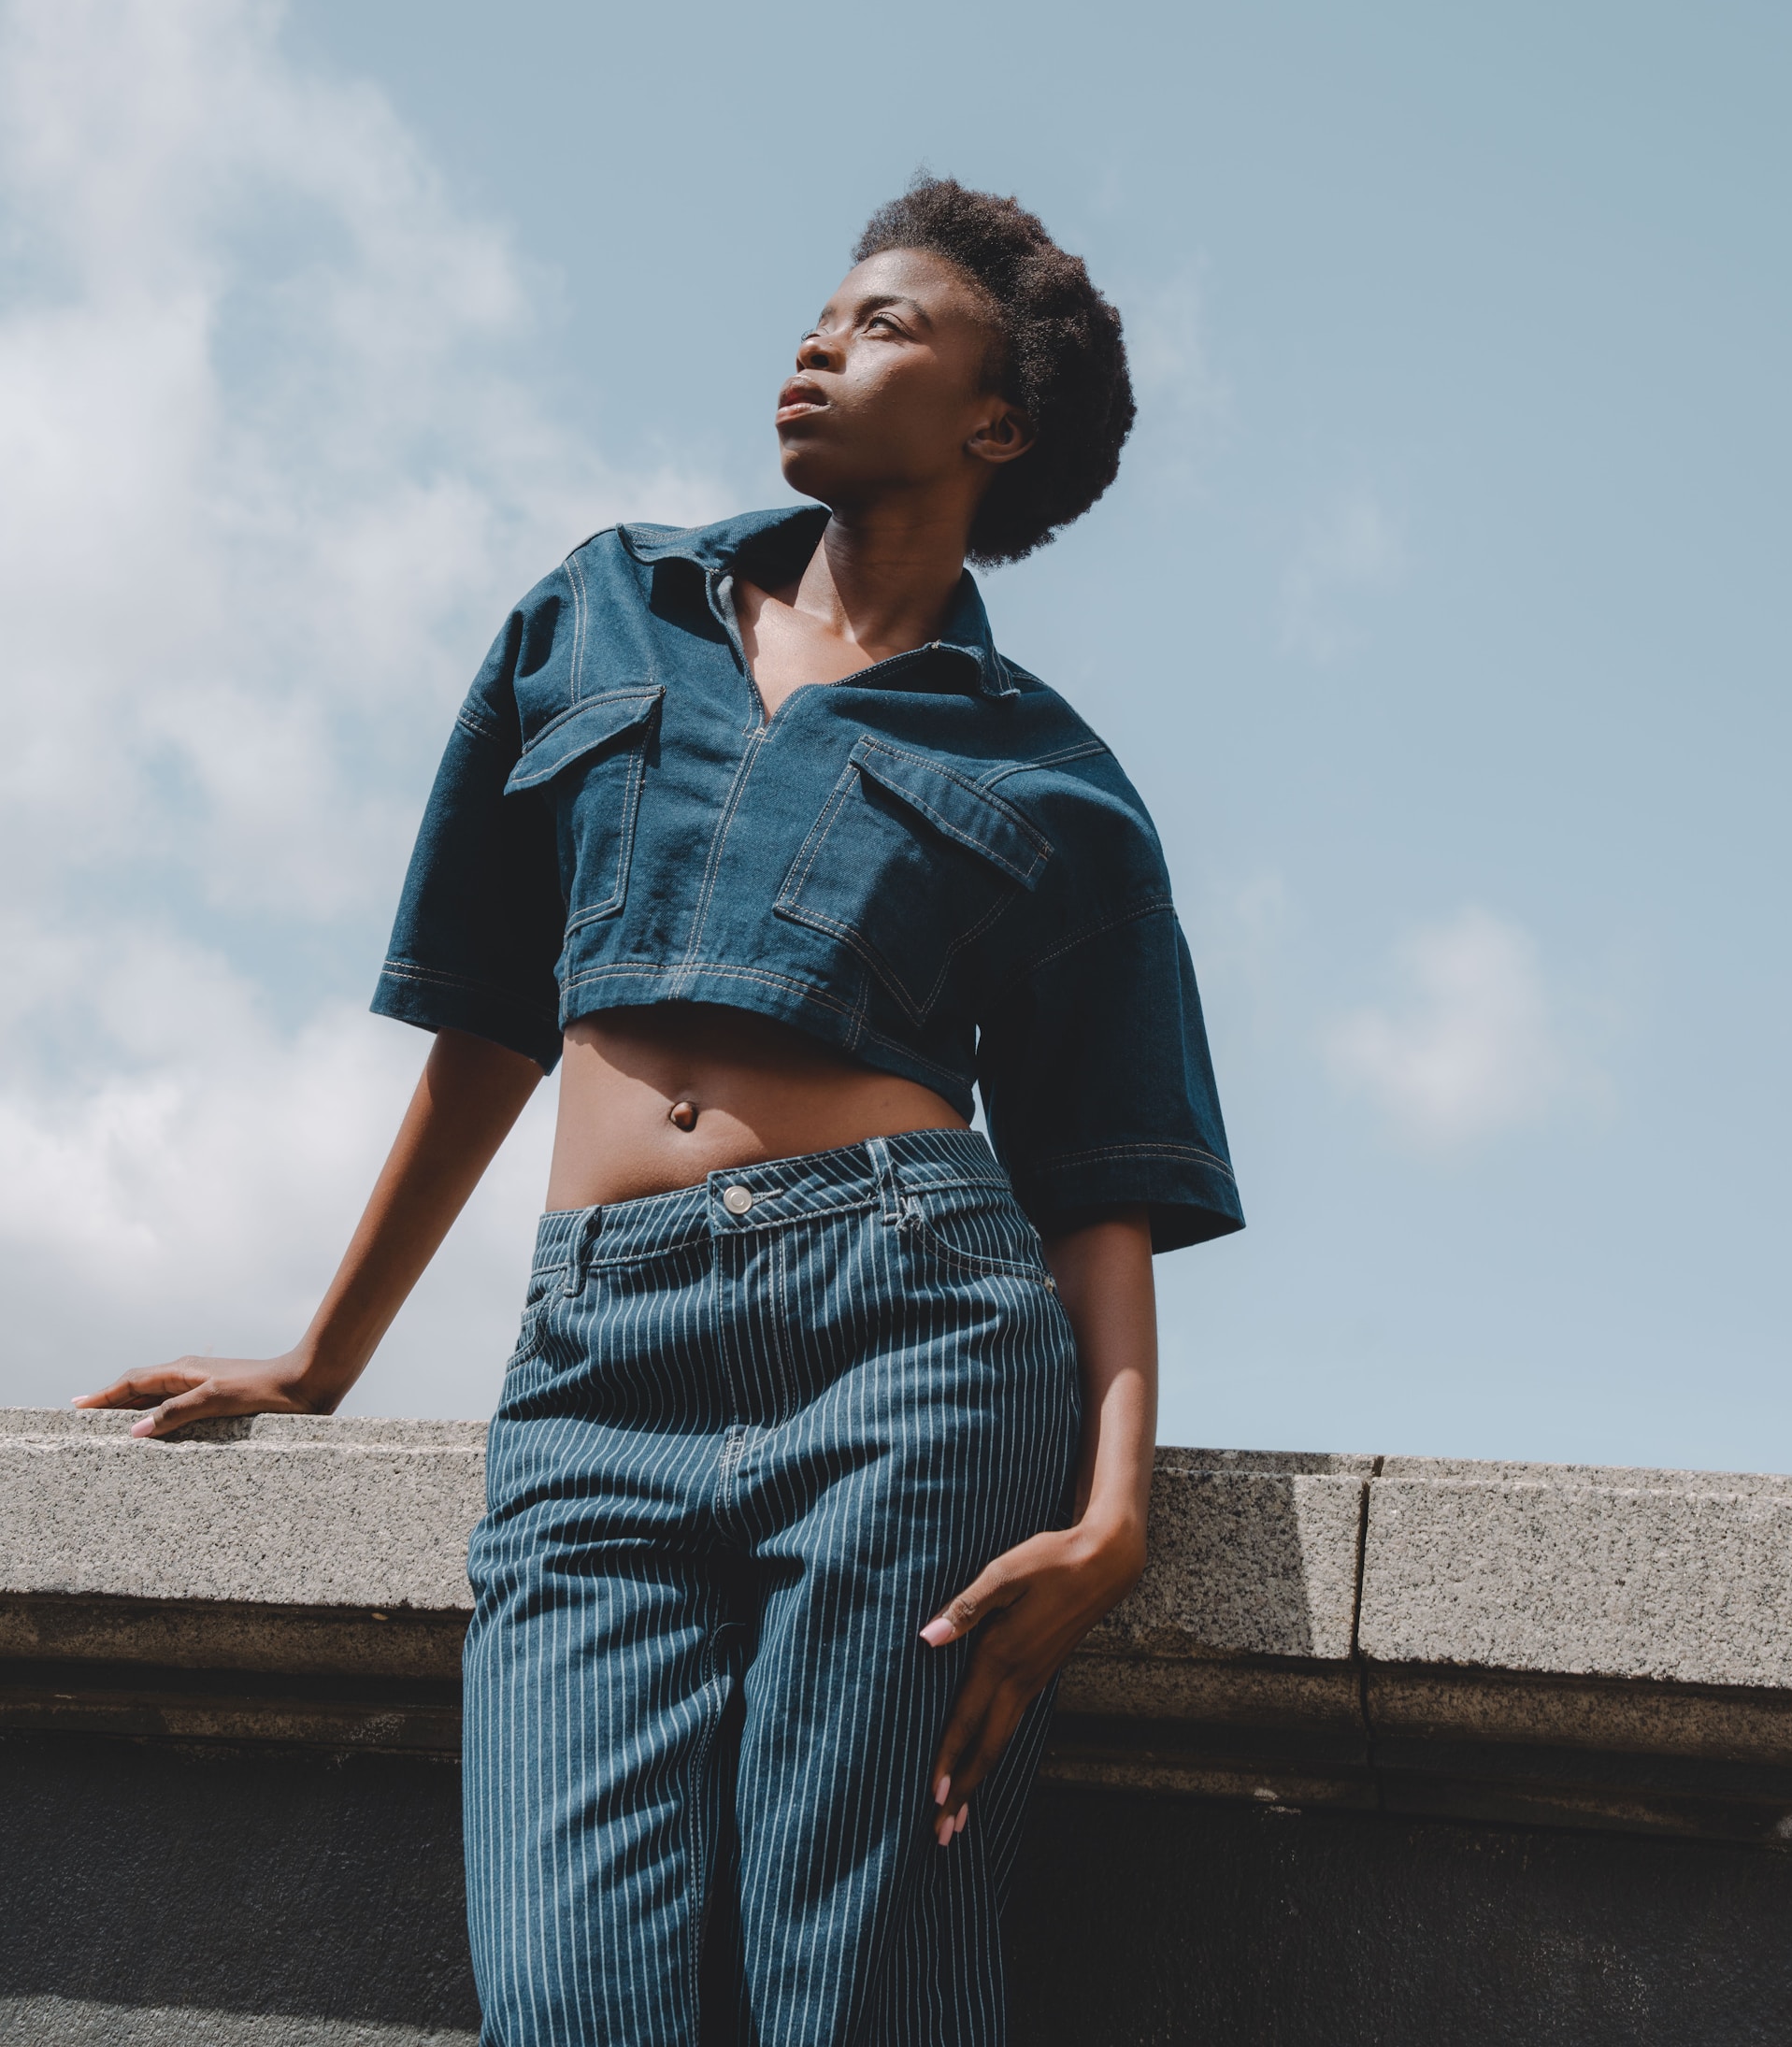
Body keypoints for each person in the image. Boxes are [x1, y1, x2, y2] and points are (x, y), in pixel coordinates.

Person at [80, 177, 1242, 2047]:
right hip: (595, 1367)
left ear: (991, 425)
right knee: (563, 1998)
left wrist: (1111, 1514)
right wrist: (323, 1357)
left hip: (913, 1344)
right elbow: (486, 1024)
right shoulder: (602, 610)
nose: (817, 342)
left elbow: (1100, 1175)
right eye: (820, 312)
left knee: (854, 1983)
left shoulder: (1056, 778)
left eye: (883, 326)